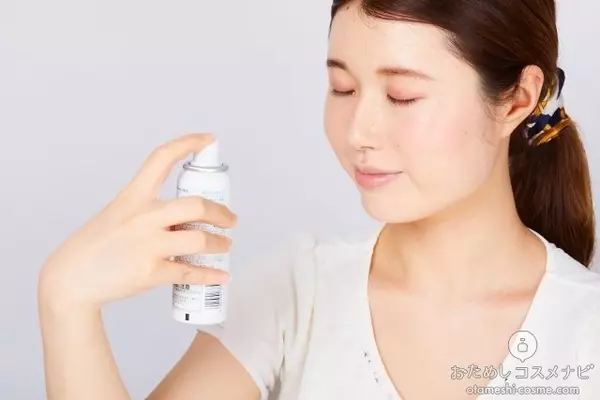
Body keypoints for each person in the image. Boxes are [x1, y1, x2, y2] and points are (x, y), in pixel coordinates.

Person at [38, 0, 600, 399]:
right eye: (342, 88)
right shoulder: (297, 293)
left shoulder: (585, 332)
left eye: (402, 95)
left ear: (516, 99)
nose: (358, 130)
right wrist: (67, 302)